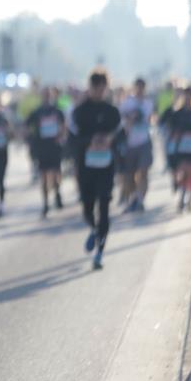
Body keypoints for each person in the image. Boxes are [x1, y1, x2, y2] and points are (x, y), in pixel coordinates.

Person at [72, 69, 121, 270]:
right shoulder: (80, 111)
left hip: (106, 166)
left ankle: (100, 252)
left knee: (104, 206)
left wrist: (110, 140)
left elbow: (120, 135)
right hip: (86, 166)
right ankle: (93, 229)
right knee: (87, 207)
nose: (99, 92)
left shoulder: (112, 111)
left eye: (102, 89)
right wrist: (89, 141)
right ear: (90, 87)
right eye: (96, 89)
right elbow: (72, 139)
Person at [25, 87, 67, 218]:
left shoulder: (58, 111)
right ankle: (45, 203)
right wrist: (31, 136)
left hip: (55, 146)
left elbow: (65, 125)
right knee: (43, 176)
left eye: (49, 95)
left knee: (56, 173)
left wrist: (61, 136)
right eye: (45, 95)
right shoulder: (37, 112)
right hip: (42, 147)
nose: (47, 97)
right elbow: (26, 125)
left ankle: (57, 193)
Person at [118, 78, 154, 214]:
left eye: (142, 87)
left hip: (144, 141)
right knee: (129, 176)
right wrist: (129, 118)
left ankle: (140, 200)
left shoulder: (148, 103)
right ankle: (133, 198)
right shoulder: (127, 102)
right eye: (137, 87)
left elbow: (150, 119)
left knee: (143, 172)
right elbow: (120, 118)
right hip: (129, 143)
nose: (139, 90)